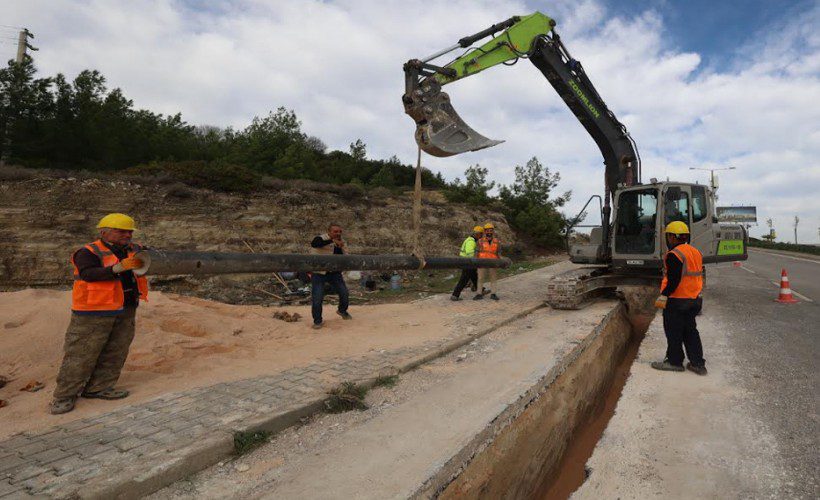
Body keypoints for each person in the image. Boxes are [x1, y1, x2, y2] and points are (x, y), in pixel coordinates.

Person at [50, 213, 149, 415]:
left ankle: (99, 388)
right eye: (122, 231)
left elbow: (149, 261)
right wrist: (116, 269)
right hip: (93, 311)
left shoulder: (134, 249)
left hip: (126, 308)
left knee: (116, 351)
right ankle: (64, 397)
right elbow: (88, 274)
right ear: (104, 232)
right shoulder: (88, 252)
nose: (127, 234)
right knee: (81, 354)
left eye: (130, 231)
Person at [652, 221, 707, 375]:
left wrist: (664, 295)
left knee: (674, 332)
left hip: (677, 301)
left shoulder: (675, 255)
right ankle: (698, 364)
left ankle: (674, 362)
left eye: (668, 236)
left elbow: (674, 280)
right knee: (690, 331)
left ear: (672, 237)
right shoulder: (695, 252)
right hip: (693, 300)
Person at [310, 223, 352, 329]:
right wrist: (332, 241)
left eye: (339, 231)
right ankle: (318, 321)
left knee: (344, 293)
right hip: (319, 273)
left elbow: (344, 257)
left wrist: (340, 247)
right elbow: (315, 244)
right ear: (329, 232)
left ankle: (342, 311)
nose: (338, 233)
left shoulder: (342, 242)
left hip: (334, 273)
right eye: (335, 231)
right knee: (317, 298)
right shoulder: (320, 238)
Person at [450, 225, 484, 301]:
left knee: (475, 276)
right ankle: (455, 295)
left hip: (467, 262)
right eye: (481, 234)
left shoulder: (471, 240)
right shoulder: (471, 242)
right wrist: (477, 254)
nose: (482, 236)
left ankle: (481, 290)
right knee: (464, 280)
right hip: (467, 262)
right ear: (477, 234)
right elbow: (470, 253)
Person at [474, 222, 501, 301]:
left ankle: (493, 294)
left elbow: (499, 252)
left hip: (493, 263)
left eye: (491, 230)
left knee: (493, 278)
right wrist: (476, 261)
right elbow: (476, 252)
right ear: (485, 231)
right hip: (482, 262)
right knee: (480, 278)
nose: (489, 232)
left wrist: (499, 262)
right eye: (487, 230)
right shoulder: (480, 241)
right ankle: (479, 294)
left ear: (493, 231)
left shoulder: (497, 241)